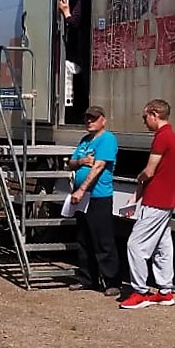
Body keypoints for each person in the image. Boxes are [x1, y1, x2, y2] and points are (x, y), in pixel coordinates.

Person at [119, 98, 175, 309]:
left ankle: (140, 292)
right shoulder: (172, 137)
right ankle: (165, 291)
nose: (144, 122)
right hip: (166, 200)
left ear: (155, 114)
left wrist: (139, 179)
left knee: (135, 245)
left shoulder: (161, 138)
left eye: (145, 117)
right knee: (163, 246)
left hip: (156, 200)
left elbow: (149, 170)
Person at [66, 105, 121, 297]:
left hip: (98, 196)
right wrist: (80, 162)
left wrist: (82, 189)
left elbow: (98, 167)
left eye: (94, 118)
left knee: (103, 240)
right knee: (84, 239)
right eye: (87, 118)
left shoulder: (107, 139)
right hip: (83, 200)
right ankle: (87, 278)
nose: (89, 121)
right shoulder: (84, 141)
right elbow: (70, 163)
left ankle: (112, 281)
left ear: (103, 120)